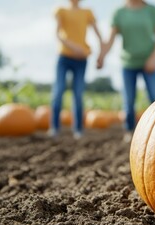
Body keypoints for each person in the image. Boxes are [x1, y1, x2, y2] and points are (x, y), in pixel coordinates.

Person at [97, 0, 155, 142]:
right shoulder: (119, 13)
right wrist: (102, 56)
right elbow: (110, 40)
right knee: (128, 100)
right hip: (128, 63)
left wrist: (153, 58)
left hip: (149, 62)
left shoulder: (151, 10)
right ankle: (129, 131)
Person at [50, 0, 103, 139]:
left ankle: (78, 129)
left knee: (78, 94)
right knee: (58, 90)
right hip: (64, 57)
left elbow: (98, 35)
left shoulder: (87, 13)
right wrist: (75, 47)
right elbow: (58, 34)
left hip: (81, 60)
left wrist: (100, 54)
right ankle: (55, 128)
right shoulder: (61, 10)